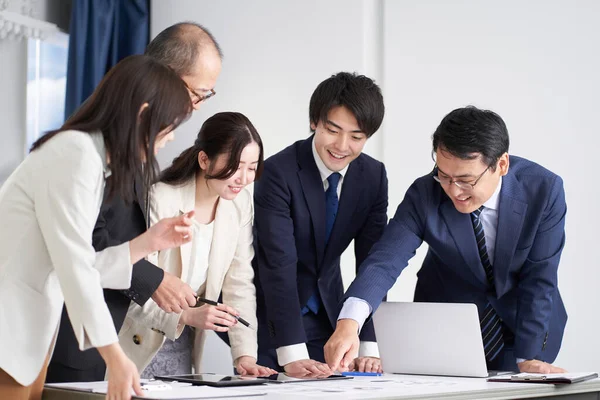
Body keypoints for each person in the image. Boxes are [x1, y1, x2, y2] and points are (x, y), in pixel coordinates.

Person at [0, 55, 195, 400]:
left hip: (27, 341)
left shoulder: (88, 160)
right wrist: (115, 356)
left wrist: (147, 243)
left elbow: (78, 263)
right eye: (167, 129)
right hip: (10, 335)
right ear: (142, 115)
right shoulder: (74, 154)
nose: (169, 140)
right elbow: (75, 267)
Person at [324, 106, 568, 374]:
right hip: (449, 327)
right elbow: (385, 261)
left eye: (465, 180)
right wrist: (349, 322)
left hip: (524, 322)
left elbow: (540, 277)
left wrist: (529, 357)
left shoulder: (544, 190)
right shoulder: (425, 193)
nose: (454, 190)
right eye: (444, 176)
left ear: (501, 165)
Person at [47, 22, 223, 383]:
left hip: (102, 331)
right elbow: (80, 248)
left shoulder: (133, 139)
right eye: (198, 93)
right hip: (67, 335)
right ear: (165, 77)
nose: (197, 106)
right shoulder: (89, 146)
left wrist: (153, 244)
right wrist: (154, 278)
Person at [118, 112, 276, 378]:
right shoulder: (161, 198)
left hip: (184, 346)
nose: (244, 178)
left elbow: (239, 283)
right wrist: (188, 316)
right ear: (204, 159)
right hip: (135, 340)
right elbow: (134, 282)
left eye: (252, 168)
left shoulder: (238, 204)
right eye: (236, 166)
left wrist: (245, 355)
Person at [253, 72, 388, 374]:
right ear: (314, 121)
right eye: (333, 130)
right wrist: (290, 353)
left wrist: (368, 345)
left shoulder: (373, 176)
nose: (342, 146)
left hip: (329, 313)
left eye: (356, 137)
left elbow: (374, 263)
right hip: (271, 316)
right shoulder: (277, 172)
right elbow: (278, 262)